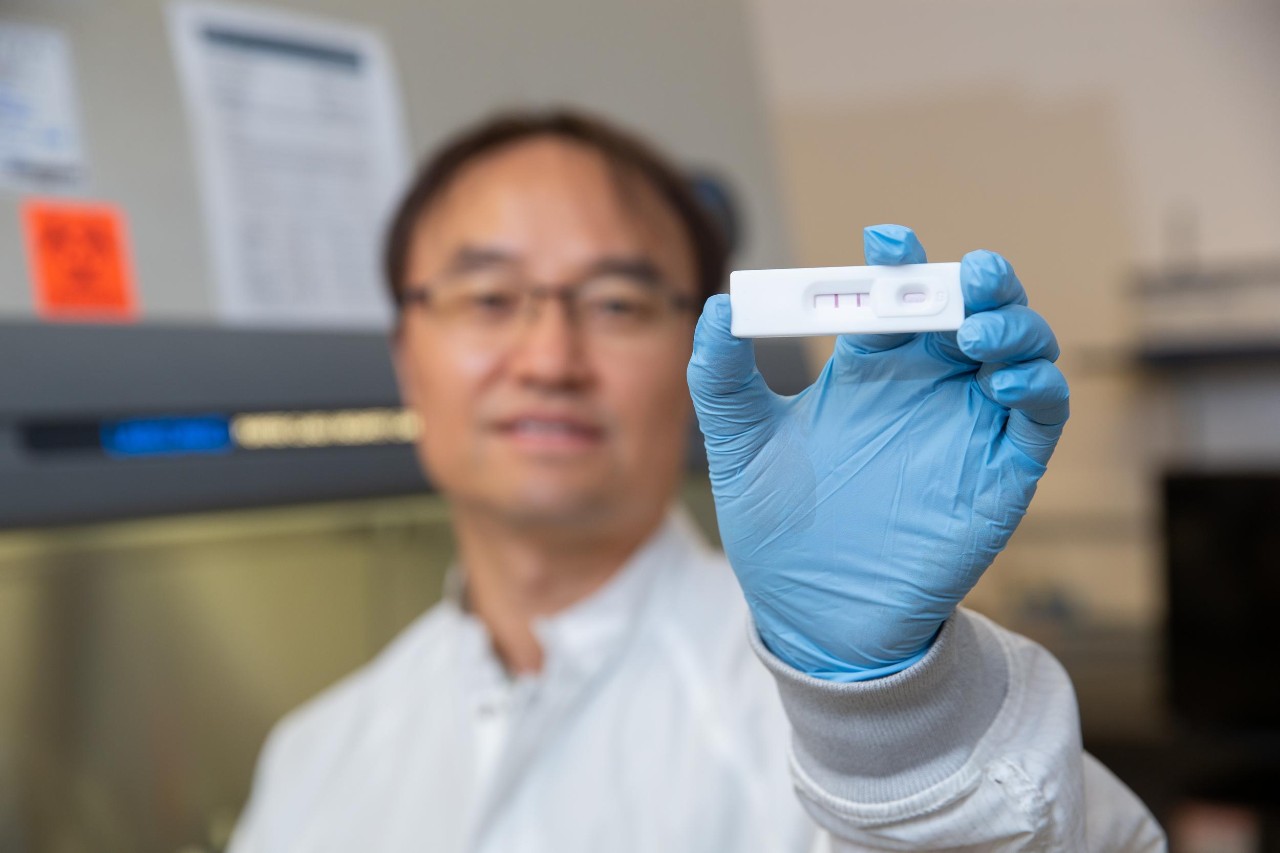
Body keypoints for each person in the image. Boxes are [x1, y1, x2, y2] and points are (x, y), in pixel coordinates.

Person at [227, 110, 1166, 852]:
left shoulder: (840, 707)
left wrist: (887, 718)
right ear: (405, 356)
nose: (550, 357)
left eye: (617, 302)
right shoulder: (316, 755)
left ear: (700, 347)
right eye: (487, 298)